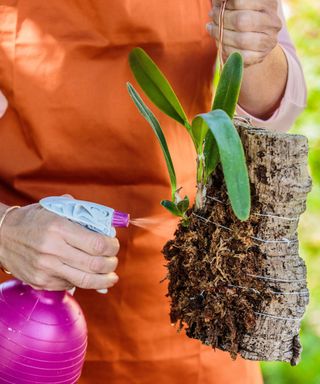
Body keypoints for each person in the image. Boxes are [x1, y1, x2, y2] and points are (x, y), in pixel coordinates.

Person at [0, 1, 306, 383]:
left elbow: (275, 108)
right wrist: (6, 229)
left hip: (192, 301)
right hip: (20, 321)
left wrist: (256, 50)